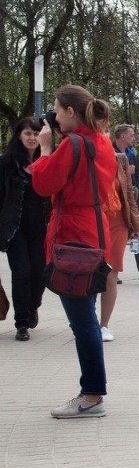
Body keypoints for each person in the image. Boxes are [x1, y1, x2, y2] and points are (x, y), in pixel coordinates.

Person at [31, 85, 116, 417]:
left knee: (83, 323)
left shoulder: (74, 144)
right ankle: (92, 391)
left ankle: (92, 395)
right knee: (87, 319)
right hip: (94, 230)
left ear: (69, 112)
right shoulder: (103, 142)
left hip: (72, 234)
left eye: (56, 109)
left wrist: (46, 149)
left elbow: (43, 184)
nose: (53, 116)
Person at [0, 117, 49, 341]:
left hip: (41, 227)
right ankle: (22, 323)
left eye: (36, 134)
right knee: (21, 273)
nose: (32, 138)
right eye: (27, 133)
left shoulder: (48, 161)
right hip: (15, 228)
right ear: (19, 136)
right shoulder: (7, 164)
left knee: (39, 274)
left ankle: (32, 307)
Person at [99, 153, 139, 342]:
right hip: (91, 219)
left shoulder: (120, 160)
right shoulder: (82, 153)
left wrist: (137, 224)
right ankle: (85, 319)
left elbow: (128, 194)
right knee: (88, 270)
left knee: (111, 273)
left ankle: (103, 325)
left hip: (117, 222)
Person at [113, 124, 139, 280]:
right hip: (116, 197)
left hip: (132, 194)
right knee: (116, 233)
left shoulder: (131, 154)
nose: (134, 138)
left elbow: (135, 177)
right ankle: (113, 270)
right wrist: (123, 170)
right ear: (122, 136)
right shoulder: (110, 151)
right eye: (131, 135)